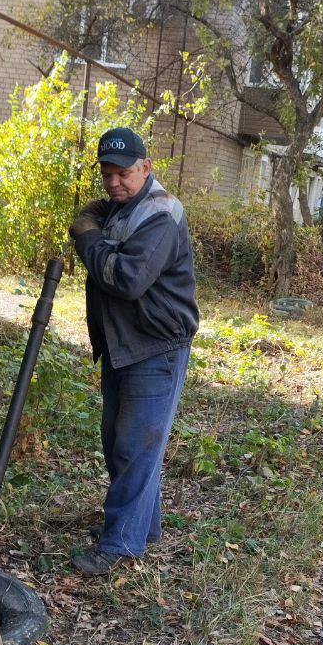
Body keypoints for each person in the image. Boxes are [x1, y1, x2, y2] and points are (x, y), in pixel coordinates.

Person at [69, 126, 198, 575]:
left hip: (156, 346)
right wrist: (96, 220)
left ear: (146, 168)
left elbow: (126, 280)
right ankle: (145, 526)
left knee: (134, 446)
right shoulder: (123, 207)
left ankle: (121, 544)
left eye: (123, 174)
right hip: (123, 343)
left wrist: (88, 238)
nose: (114, 183)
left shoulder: (161, 214)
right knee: (119, 442)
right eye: (107, 174)